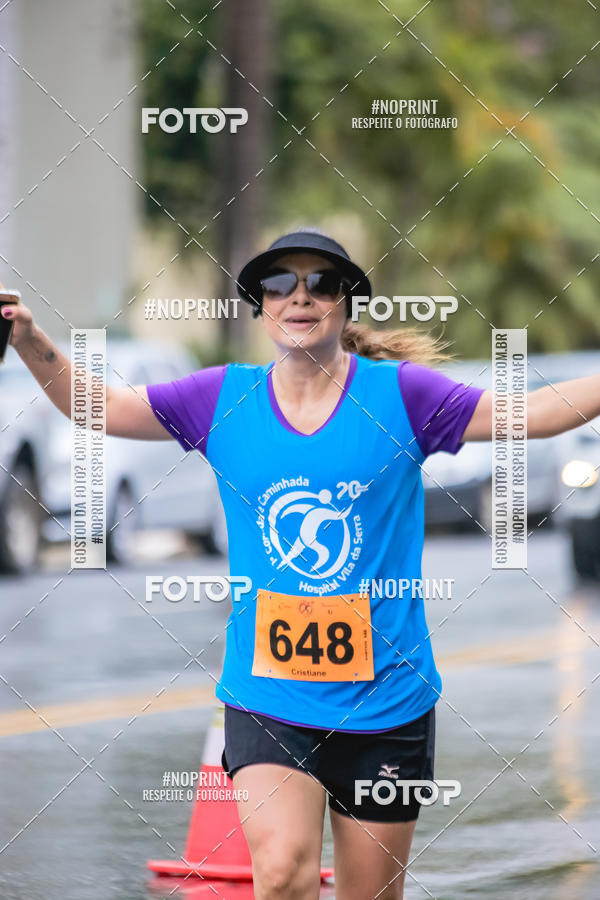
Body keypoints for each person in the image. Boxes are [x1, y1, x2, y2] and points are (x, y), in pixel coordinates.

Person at [3, 228, 600, 900]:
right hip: (270, 695)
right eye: (280, 283)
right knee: (283, 874)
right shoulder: (221, 399)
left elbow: (538, 413)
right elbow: (100, 406)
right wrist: (27, 337)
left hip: (388, 699)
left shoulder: (401, 398)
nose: (300, 296)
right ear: (260, 304)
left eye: (322, 283)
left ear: (346, 303)